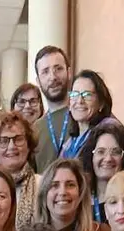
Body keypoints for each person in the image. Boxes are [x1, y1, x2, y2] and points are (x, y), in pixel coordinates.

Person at [0, 111, 43, 230]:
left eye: (18, 139)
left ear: (29, 145)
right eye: (4, 141)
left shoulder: (43, 185)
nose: (11, 147)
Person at [78, 121, 124, 223]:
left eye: (116, 152)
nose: (108, 158)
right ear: (91, 157)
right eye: (101, 151)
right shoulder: (79, 203)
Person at [32, 45, 72, 173]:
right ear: (38, 81)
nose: (53, 77)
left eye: (58, 69)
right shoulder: (34, 130)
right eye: (45, 72)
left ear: (69, 73)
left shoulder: (87, 114)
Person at [62, 70, 114, 159]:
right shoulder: (70, 143)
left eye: (87, 95)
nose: (79, 101)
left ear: (101, 103)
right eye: (75, 94)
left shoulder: (109, 131)